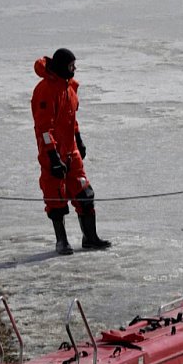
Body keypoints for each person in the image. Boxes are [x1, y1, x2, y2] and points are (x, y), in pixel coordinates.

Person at [31, 48, 111, 255]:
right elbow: (44, 128)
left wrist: (79, 139)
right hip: (53, 153)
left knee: (85, 193)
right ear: (60, 66)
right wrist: (52, 156)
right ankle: (62, 241)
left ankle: (90, 237)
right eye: (71, 65)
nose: (74, 69)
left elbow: (71, 119)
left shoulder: (69, 89)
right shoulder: (46, 90)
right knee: (55, 198)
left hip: (71, 151)